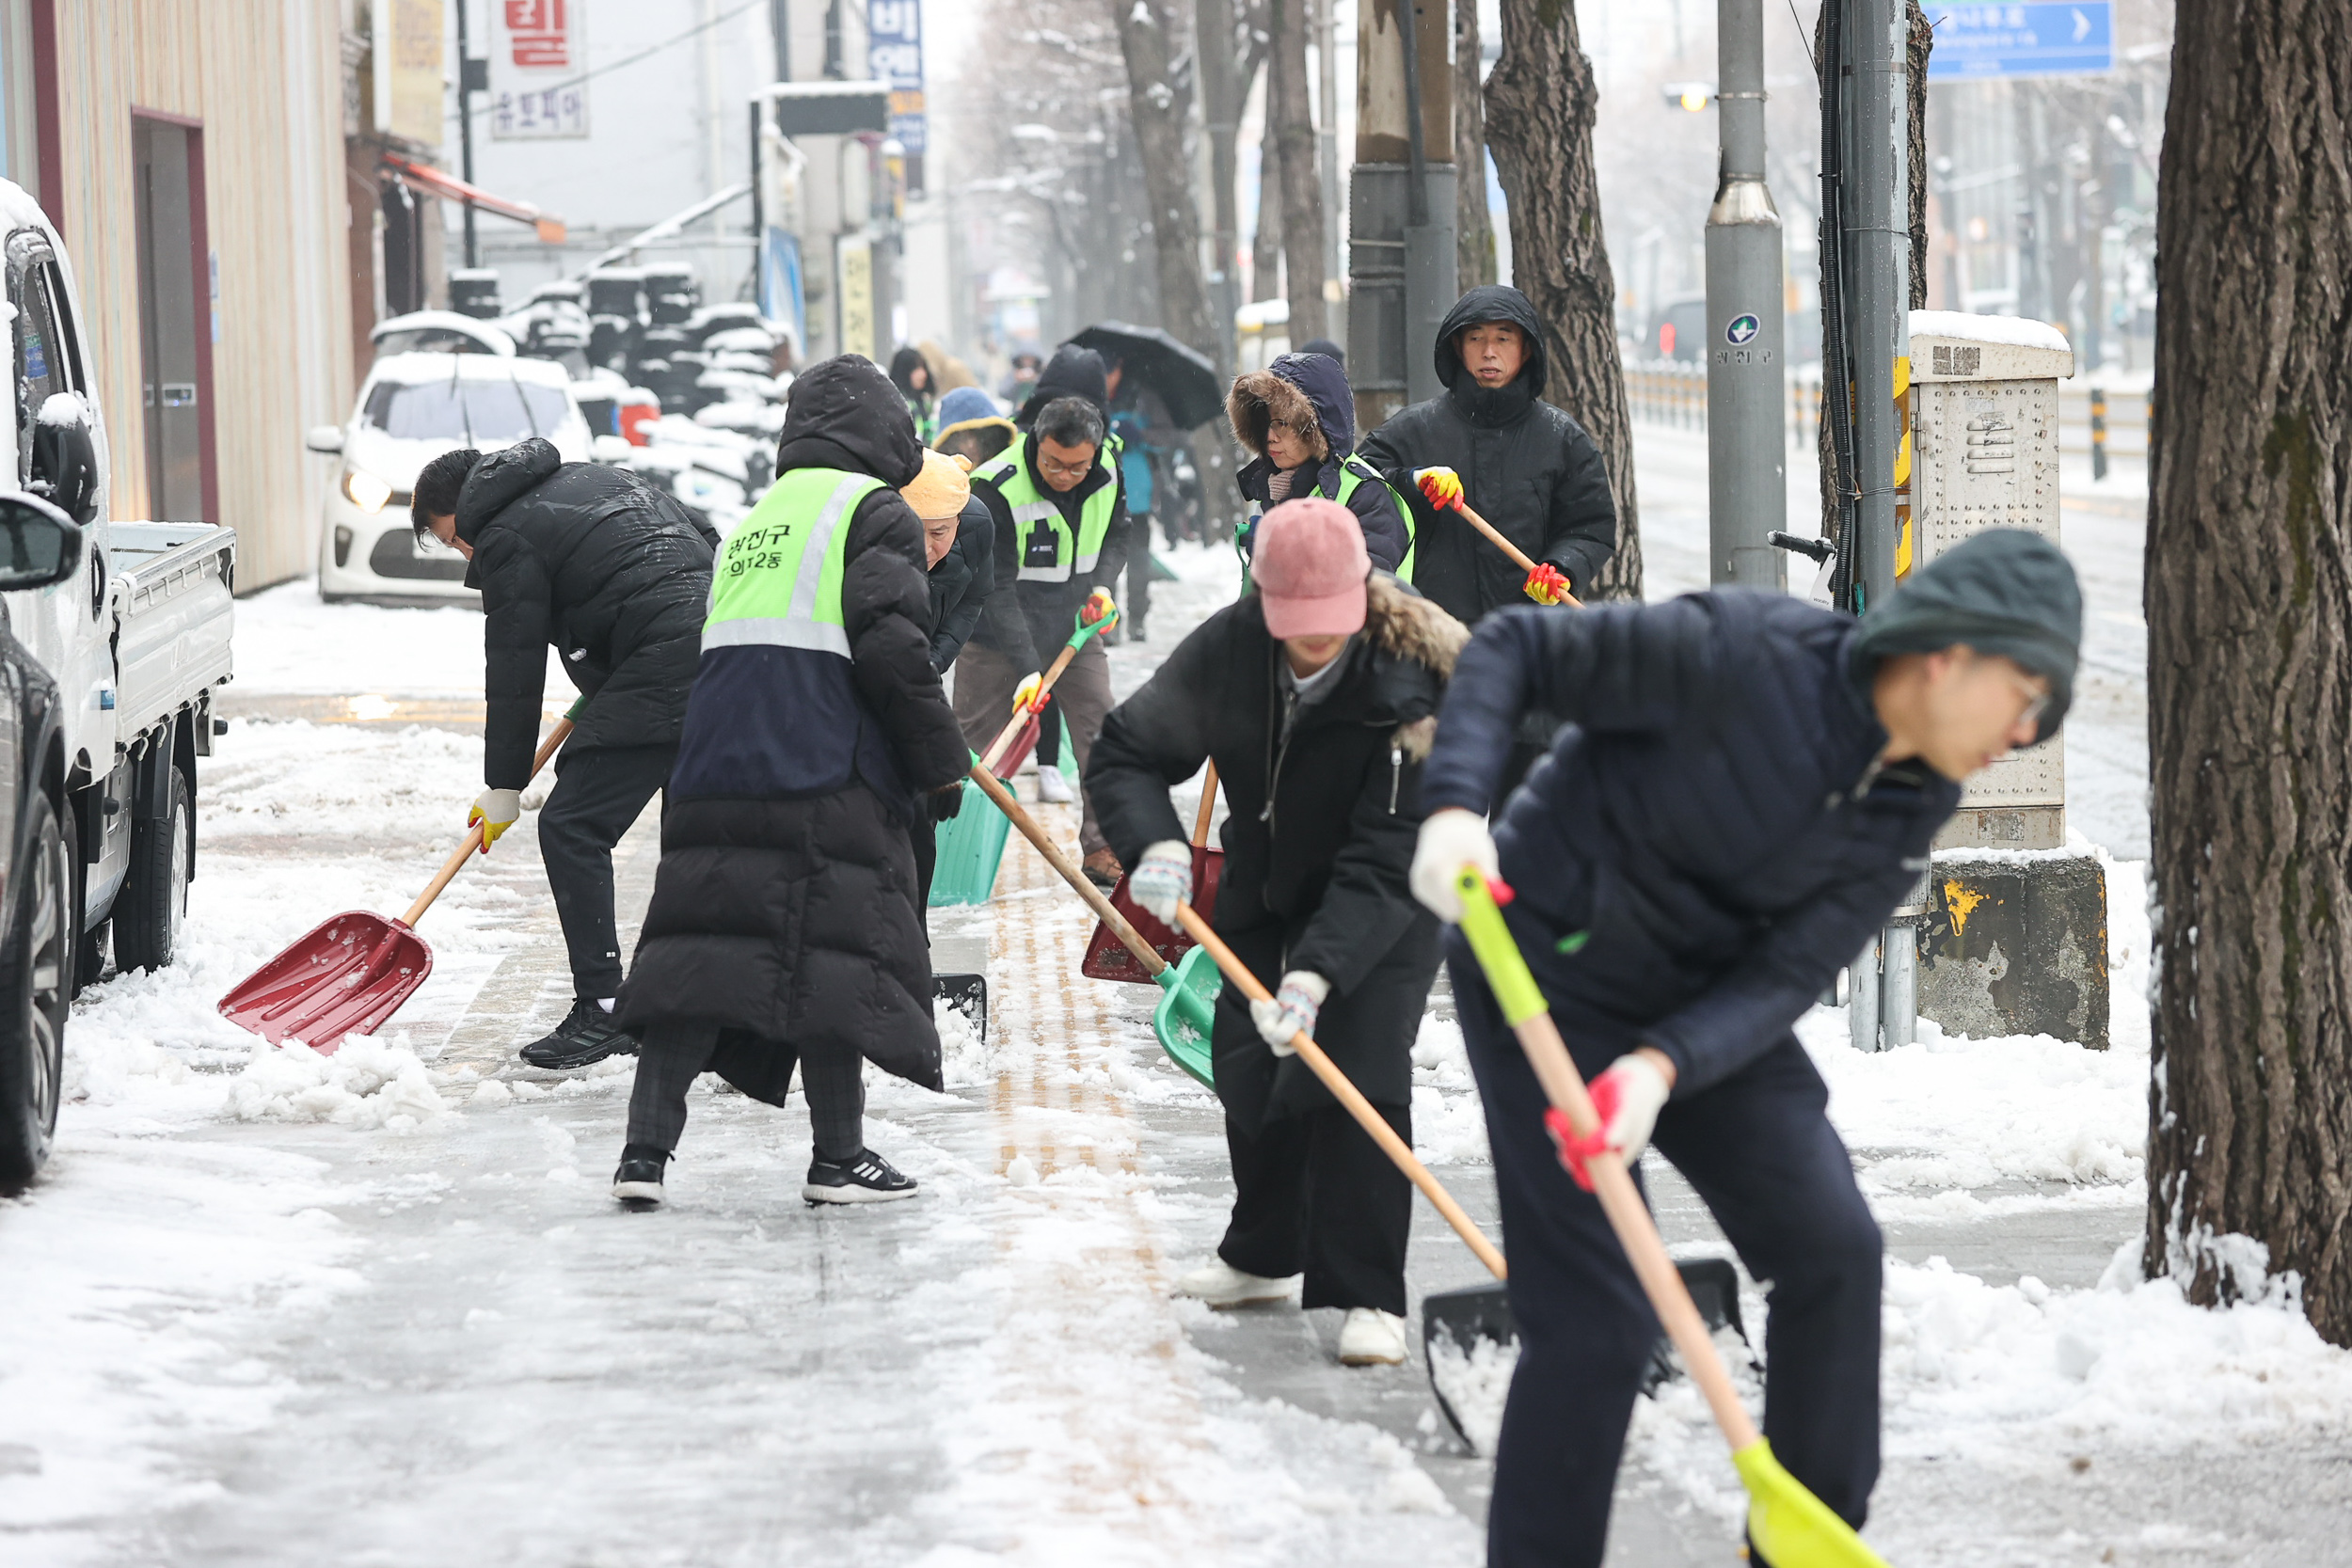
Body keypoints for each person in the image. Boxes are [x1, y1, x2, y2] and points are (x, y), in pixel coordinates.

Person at [1406, 529, 2081, 1567]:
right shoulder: (1742, 651)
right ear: (1953, 649)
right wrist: (1455, 804)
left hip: (1707, 1005)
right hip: (1543, 970)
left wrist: (1660, 1065)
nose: (2027, 730)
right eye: (2025, 691)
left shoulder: (1920, 792)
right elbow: (1516, 649)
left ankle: (1805, 1544)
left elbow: (1791, 968)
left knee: (1833, 1251)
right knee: (1595, 1324)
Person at [1089, 497, 1464, 1365]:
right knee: (1250, 1057)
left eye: (1329, 623)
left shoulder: (1410, 677)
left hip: (1394, 886)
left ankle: (1370, 1293)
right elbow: (1129, 749)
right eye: (1295, 624)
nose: (1314, 641)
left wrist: (1320, 973)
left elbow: (1386, 855)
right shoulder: (1230, 649)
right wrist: (1153, 844)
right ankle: (1262, 1255)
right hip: (1268, 873)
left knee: (1358, 1069)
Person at [607, 355, 968, 1210]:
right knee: (830, 958)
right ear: (884, 432)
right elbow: (892, 650)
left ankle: (643, 1155)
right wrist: (937, 763)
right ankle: (837, 1157)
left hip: (715, 765)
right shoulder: (871, 510)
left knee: (700, 956)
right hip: (820, 763)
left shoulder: (760, 516)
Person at [411, 436, 716, 1070]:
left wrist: (502, 787)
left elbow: (515, 668)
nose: (464, 552)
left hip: (664, 662)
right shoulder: (590, 477)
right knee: (690, 834)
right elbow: (703, 537)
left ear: (466, 507)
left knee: (573, 824)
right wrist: (615, 658)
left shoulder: (504, 535)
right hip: (723, 651)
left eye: (452, 538)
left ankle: (604, 1007)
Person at [954, 346, 1130, 886]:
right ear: (1036, 441)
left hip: (1077, 625)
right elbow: (995, 586)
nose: (1063, 475)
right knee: (969, 750)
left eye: (1076, 466)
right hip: (991, 633)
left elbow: (1119, 534)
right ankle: (948, 856)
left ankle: (1102, 849)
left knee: (1101, 729)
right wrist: (1028, 665)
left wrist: (1102, 586)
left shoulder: (1107, 470)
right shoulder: (994, 486)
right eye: (1052, 462)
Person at [1359, 284, 1616, 621]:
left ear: (1526, 350)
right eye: (1476, 338)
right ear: (1457, 346)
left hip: (1528, 634)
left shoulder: (1561, 437)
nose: (1489, 352)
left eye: (1504, 338)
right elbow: (1358, 486)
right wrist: (1412, 480)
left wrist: (1562, 567)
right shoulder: (1413, 429)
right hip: (1434, 632)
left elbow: (1589, 524)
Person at [902, 448, 992, 916]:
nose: (925, 547)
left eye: (939, 532)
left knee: (919, 825)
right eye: (911, 531)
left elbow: (971, 599)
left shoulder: (977, 527)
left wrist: (935, 660)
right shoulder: (864, 544)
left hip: (916, 676)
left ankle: (912, 940)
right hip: (867, 682)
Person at [1229, 351, 1411, 575]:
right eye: (1264, 422)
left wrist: (1279, 550)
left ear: (1316, 430)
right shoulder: (1272, 485)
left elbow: (1362, 589)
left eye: (1282, 423)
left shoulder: (1366, 495)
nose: (1269, 436)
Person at [1104, 353, 1177, 641]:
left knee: (1137, 561)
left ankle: (1137, 618)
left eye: (1111, 368)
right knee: (1106, 564)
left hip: (1137, 496)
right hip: (1103, 495)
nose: (1107, 376)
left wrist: (1140, 434)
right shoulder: (1091, 394)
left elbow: (1165, 436)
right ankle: (1109, 623)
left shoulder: (1144, 397)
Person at [934, 385, 1015, 470]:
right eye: (962, 438)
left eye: (976, 435)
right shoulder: (943, 478)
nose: (971, 445)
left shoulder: (1006, 471)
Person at [889, 346, 937, 442]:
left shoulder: (926, 404)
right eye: (916, 369)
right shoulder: (895, 406)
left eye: (923, 368)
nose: (923, 374)